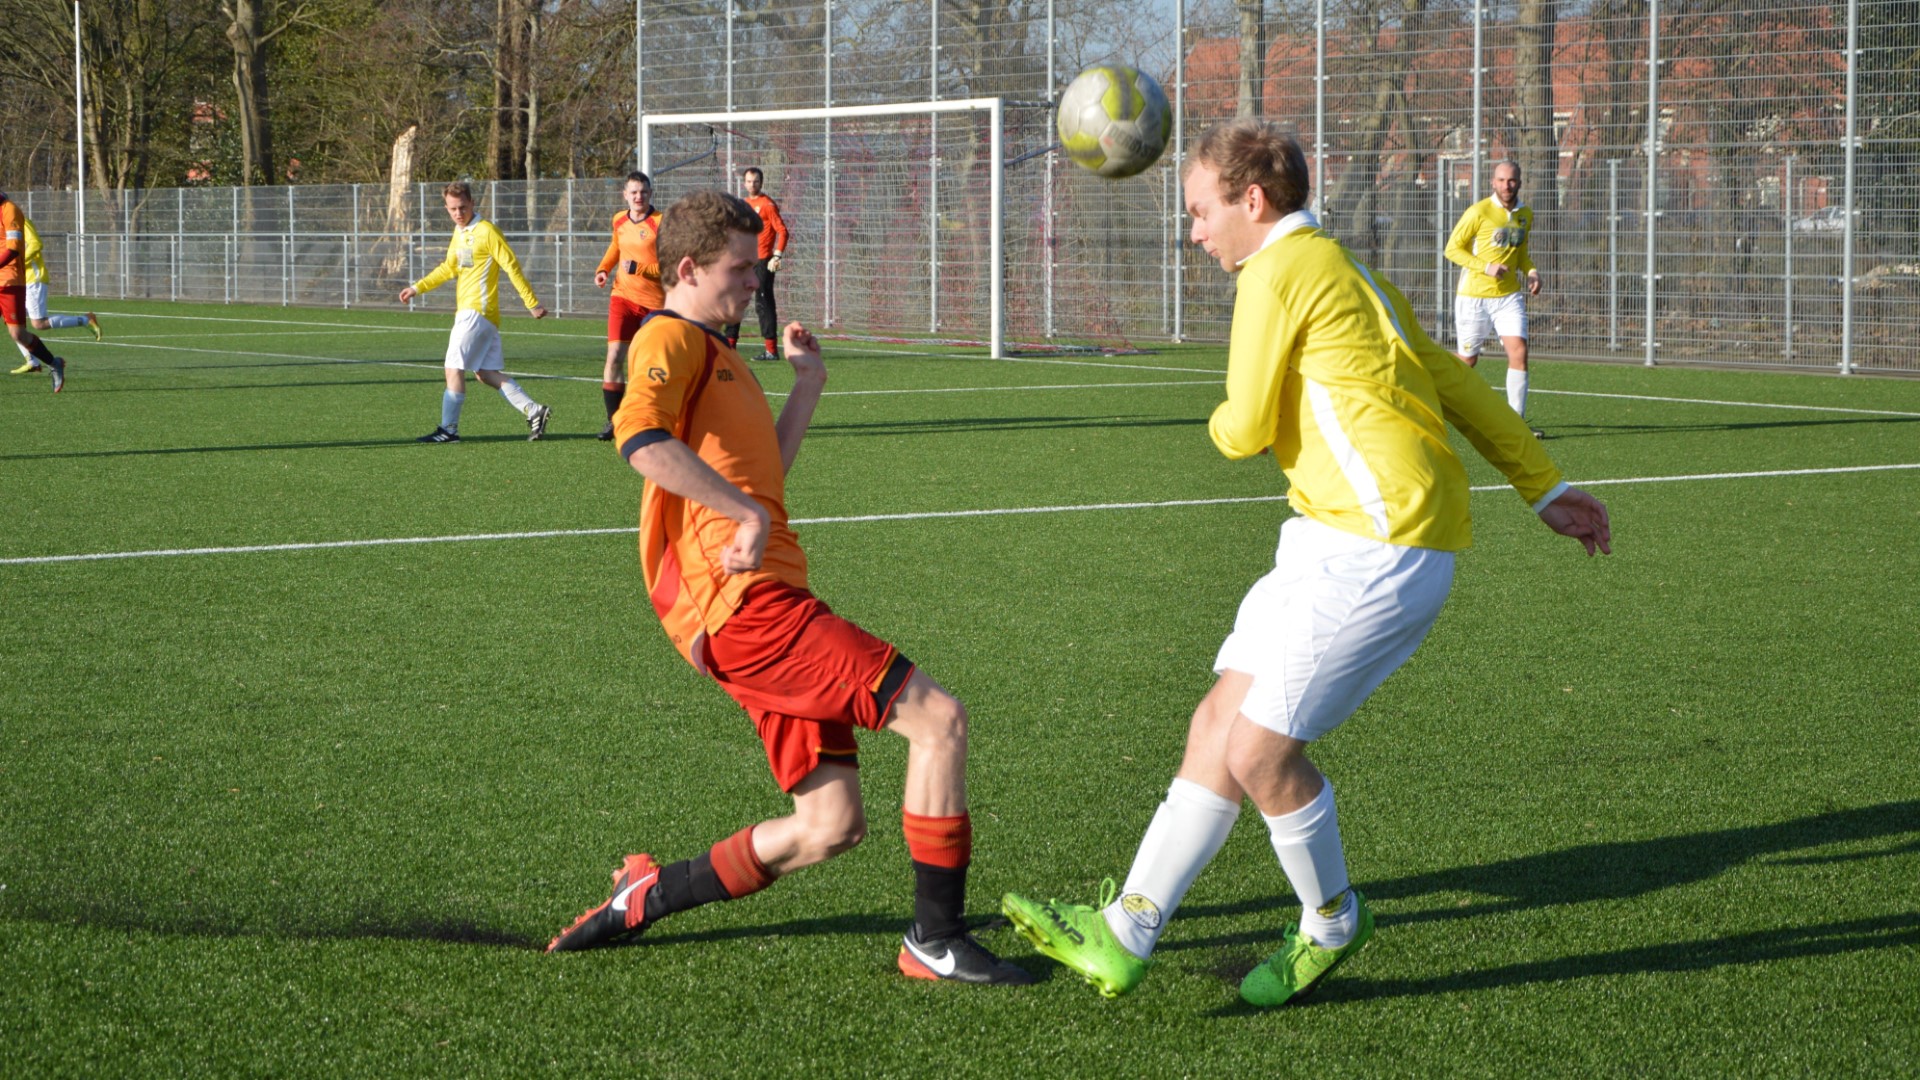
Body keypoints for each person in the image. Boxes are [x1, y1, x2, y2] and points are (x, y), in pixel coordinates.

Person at [1000, 121, 1611, 1007]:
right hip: (1331, 532)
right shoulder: (1342, 264)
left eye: (1201, 212)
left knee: (1258, 752)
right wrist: (1541, 485)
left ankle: (1331, 921)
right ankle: (1126, 929)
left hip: (1382, 540)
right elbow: (1451, 379)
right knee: (1218, 722)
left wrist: (1219, 425)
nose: (1195, 232)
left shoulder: (1277, 270)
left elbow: (1243, 426)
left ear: (1252, 200)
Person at [546, 190, 1031, 988]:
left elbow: (761, 479)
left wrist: (807, 386)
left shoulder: (720, 352)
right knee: (938, 720)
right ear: (689, 269)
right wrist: (740, 514)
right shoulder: (667, 335)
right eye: (740, 267)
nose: (755, 279)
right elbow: (637, 435)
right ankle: (935, 938)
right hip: (745, 607)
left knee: (829, 825)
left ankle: (648, 894)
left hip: (760, 604)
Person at [398, 181, 551, 443]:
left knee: (452, 367)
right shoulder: (460, 232)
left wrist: (531, 303)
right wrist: (417, 287)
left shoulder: (487, 231)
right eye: (453, 209)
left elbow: (511, 266)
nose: (458, 213)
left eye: (463, 207)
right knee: (485, 374)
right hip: (477, 315)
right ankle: (534, 410)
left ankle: (449, 430)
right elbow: (449, 268)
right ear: (446, 208)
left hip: (476, 311)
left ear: (472, 203)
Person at [1445, 160, 1544, 437]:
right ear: (1493, 182)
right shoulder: (1479, 211)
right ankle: (1430, 381)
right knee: (1468, 361)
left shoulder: (1525, 214)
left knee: (1519, 351)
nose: (1506, 185)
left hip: (1508, 296)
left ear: (1519, 182)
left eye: (1511, 180)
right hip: (1474, 297)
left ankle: (1515, 425)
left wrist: (1532, 272)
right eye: (1501, 180)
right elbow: (1452, 249)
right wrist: (1485, 267)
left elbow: (1520, 253)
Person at [592, 171, 664, 441]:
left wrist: (639, 268)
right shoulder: (619, 220)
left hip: (656, 305)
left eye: (643, 192)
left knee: (648, 366)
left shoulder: (662, 223)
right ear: (625, 195)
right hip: (622, 298)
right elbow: (616, 246)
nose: (638, 196)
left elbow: (671, 266)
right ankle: (615, 421)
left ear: (650, 193)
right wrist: (603, 269)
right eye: (633, 192)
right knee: (614, 357)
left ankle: (652, 417)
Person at [7, 212, 100, 376]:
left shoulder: (20, 222)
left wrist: (18, 261)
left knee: (39, 324)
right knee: (13, 322)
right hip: (16, 280)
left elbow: (35, 244)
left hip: (32, 279)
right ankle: (32, 361)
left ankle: (86, 320)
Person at [0, 190, 65, 393]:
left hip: (10, 281)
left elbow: (13, 249)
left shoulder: (9, 209)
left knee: (18, 334)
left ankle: (54, 363)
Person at [721, 166, 788, 361]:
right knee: (733, 299)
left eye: (756, 181)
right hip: (743, 261)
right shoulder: (742, 205)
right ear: (744, 183)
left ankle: (771, 350)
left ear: (761, 183)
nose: (752, 185)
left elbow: (783, 231)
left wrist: (777, 256)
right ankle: (729, 348)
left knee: (763, 303)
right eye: (749, 181)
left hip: (762, 261)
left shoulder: (767, 204)